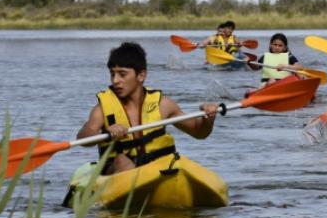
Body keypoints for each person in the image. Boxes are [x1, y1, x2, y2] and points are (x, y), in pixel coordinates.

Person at [76, 42, 220, 175]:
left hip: (156, 169)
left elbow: (199, 132)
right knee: (121, 161)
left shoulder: (163, 105)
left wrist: (208, 118)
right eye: (112, 74)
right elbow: (84, 136)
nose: (115, 80)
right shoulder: (102, 109)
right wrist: (108, 131)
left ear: (141, 75)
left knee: (176, 162)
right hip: (117, 172)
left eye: (122, 74)